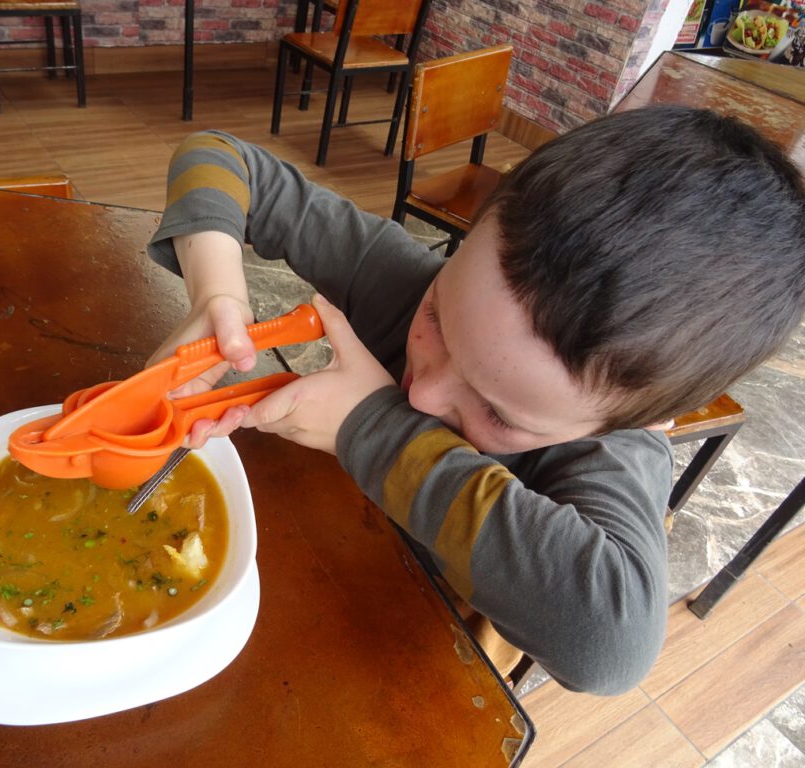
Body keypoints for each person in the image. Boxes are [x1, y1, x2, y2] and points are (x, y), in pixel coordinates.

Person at [144, 106, 805, 695]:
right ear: (475, 233)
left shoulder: (609, 451)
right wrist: (217, 297)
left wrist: (370, 426)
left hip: (416, 658)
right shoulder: (402, 280)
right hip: (315, 559)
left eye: (500, 414)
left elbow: (613, 646)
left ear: (638, 424)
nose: (425, 391)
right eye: (437, 317)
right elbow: (219, 155)